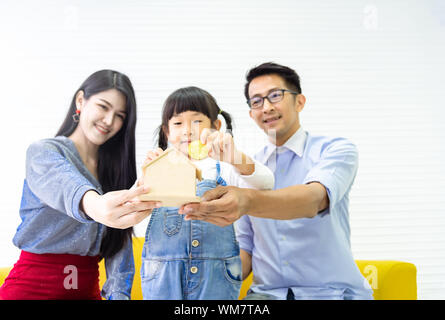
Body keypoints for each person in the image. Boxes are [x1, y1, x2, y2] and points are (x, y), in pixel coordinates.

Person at [179, 62, 374, 300]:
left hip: (331, 293)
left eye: (275, 96)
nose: (267, 107)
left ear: (299, 101)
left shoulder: (335, 150)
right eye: (257, 101)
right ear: (251, 114)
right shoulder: (248, 169)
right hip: (266, 296)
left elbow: (314, 200)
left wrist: (246, 200)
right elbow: (246, 249)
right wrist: (206, 275)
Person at [0, 70, 159, 300]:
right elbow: (69, 187)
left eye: (119, 115)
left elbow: (119, 247)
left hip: (85, 289)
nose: (109, 121)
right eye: (103, 107)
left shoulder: (115, 172)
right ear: (80, 100)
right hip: (30, 289)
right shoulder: (44, 153)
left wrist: (119, 295)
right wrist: (98, 206)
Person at [140, 86, 274, 300]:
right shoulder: (159, 167)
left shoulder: (225, 166)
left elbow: (267, 183)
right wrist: (147, 176)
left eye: (197, 121)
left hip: (217, 276)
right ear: (167, 132)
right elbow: (133, 207)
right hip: (162, 276)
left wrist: (235, 157)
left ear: (216, 127)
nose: (187, 130)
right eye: (177, 123)